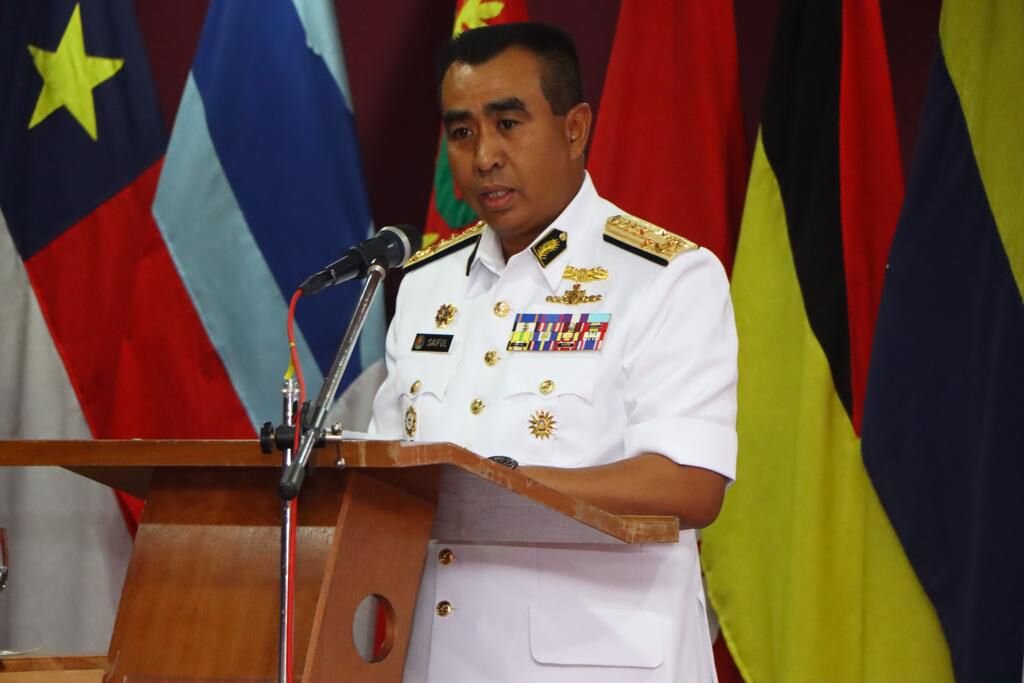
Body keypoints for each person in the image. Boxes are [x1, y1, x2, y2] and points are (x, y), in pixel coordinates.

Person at [370, 21, 737, 683]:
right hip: (436, 662)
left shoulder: (665, 277)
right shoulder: (425, 283)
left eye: (508, 124)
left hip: (595, 665)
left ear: (575, 129)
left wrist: (504, 486)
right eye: (462, 132)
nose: (484, 156)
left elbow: (690, 482)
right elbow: (383, 475)